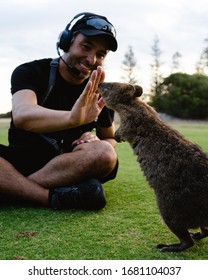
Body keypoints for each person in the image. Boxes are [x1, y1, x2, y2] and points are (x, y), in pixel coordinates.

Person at [0, 12, 118, 211]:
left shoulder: (99, 90)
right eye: (86, 47)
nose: (91, 59)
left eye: (101, 54)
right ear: (67, 41)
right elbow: (22, 115)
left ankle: (12, 189)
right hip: (22, 160)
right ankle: (50, 197)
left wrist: (94, 139)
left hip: (69, 167)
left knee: (105, 153)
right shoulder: (30, 71)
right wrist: (73, 119)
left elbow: (110, 138)